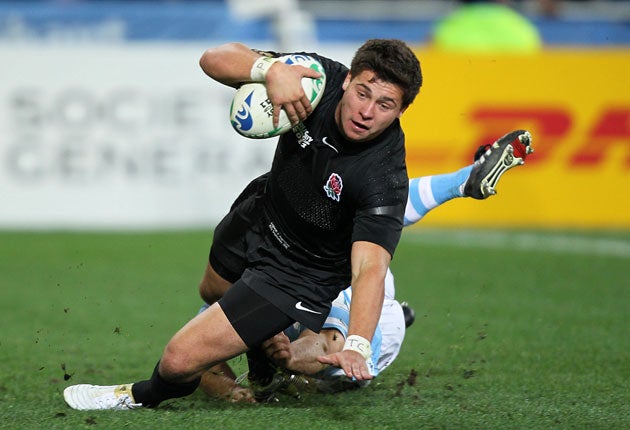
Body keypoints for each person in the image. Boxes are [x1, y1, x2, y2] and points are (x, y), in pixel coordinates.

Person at [63, 38, 424, 410]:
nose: (366, 111)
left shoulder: (384, 176)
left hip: (298, 272)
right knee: (211, 289)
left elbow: (369, 267)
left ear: (400, 112)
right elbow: (212, 59)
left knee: (177, 361)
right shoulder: (316, 79)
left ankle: (141, 395)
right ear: (348, 80)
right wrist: (270, 70)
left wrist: (358, 344)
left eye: (384, 105)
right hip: (262, 211)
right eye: (363, 93)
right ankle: (262, 354)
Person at [196, 130, 534, 402]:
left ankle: (461, 182)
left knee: (332, 377)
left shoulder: (327, 286)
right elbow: (200, 356)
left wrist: (284, 357)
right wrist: (232, 391)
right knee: (293, 383)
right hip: (348, 272)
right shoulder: (248, 278)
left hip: (367, 299)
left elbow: (329, 345)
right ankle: (461, 181)